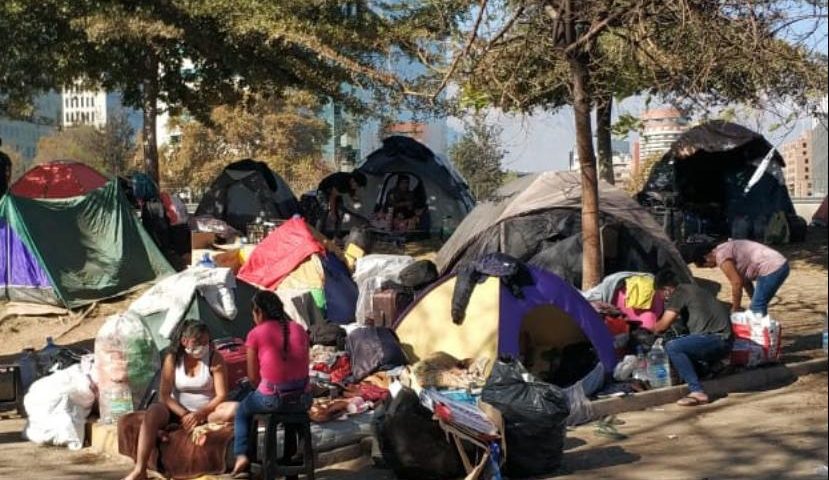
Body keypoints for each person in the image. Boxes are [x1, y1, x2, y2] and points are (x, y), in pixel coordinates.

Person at [122, 320, 237, 480]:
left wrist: (199, 414)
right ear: (184, 341)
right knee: (153, 411)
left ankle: (169, 431)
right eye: (198, 342)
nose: (203, 347)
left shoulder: (214, 358)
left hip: (207, 413)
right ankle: (140, 469)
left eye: (206, 342)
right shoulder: (172, 359)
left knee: (234, 409)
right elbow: (165, 394)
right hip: (176, 411)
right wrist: (184, 414)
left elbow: (221, 395)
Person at [230, 290, 311, 479]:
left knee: (242, 409)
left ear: (258, 311)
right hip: (303, 399)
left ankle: (241, 455)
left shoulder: (255, 334)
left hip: (272, 400)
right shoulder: (299, 328)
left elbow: (252, 378)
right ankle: (291, 460)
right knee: (290, 410)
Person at [653, 270, 733, 407]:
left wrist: (651, 329)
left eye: (659, 294)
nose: (662, 298)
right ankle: (710, 370)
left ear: (666, 289)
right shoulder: (695, 290)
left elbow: (663, 325)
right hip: (725, 340)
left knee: (673, 346)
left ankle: (696, 391)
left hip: (715, 338)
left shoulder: (679, 293)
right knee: (683, 343)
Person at [695, 239, 789, 316]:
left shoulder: (721, 255)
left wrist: (736, 308)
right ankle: (764, 330)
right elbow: (745, 281)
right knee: (757, 305)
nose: (712, 267)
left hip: (772, 267)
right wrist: (753, 299)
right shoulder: (725, 248)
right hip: (779, 264)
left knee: (757, 308)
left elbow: (736, 283)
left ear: (707, 257)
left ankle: (761, 336)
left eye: (707, 265)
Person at [315, 171, 367, 237]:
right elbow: (332, 198)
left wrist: (359, 207)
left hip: (336, 194)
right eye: (357, 185)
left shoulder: (352, 185)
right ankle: (317, 233)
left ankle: (336, 236)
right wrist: (333, 213)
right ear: (353, 181)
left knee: (340, 213)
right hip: (323, 191)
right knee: (325, 211)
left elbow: (354, 198)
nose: (357, 188)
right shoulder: (341, 180)